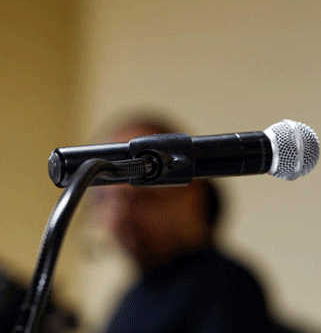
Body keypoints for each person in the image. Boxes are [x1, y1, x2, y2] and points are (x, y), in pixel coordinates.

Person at [93, 114, 298, 333]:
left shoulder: (225, 285)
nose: (118, 214)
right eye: (106, 199)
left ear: (194, 196)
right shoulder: (134, 298)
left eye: (141, 197)